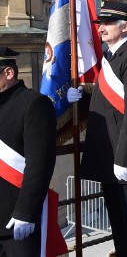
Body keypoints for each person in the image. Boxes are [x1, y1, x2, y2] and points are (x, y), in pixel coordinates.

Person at [68, 0, 127, 256]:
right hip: (111, 155)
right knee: (119, 228)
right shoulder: (111, 56)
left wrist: (123, 159)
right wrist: (81, 99)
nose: (101, 28)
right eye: (100, 24)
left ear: (125, 26)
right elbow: (108, 103)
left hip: (126, 160)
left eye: (107, 24)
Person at [0, 47, 63, 256]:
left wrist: (26, 212)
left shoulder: (34, 104)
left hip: (16, 221)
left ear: (8, 73)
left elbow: (40, 163)